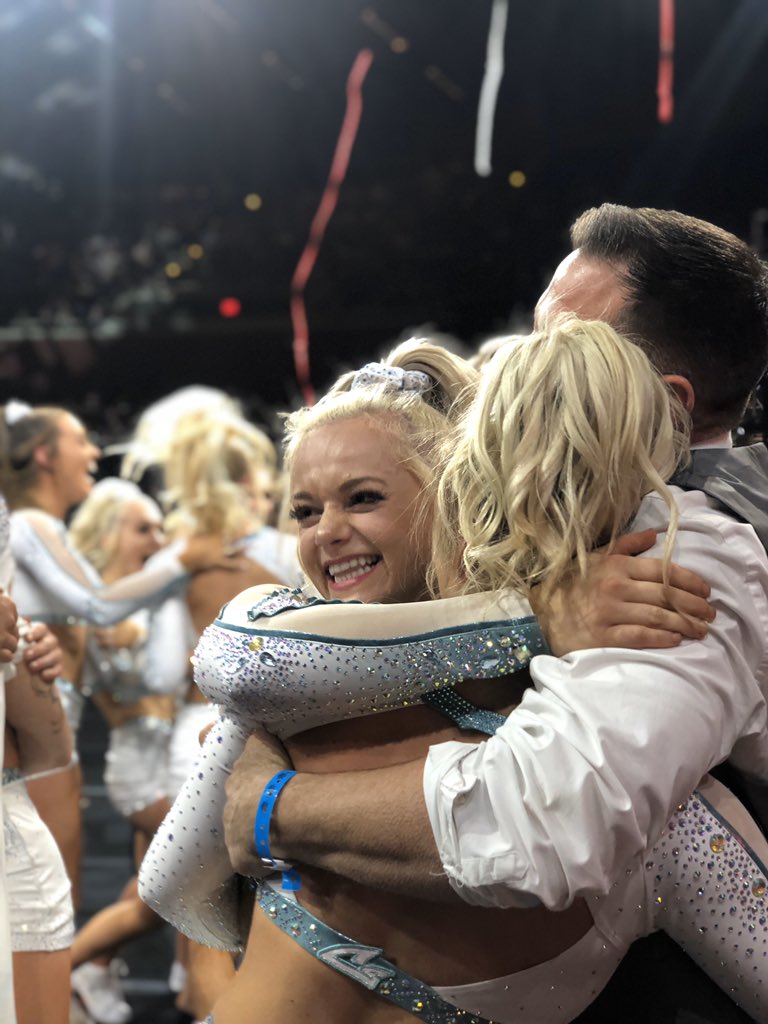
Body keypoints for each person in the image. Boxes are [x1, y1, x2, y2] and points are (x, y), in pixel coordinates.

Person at [221, 206, 768, 1021]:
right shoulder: (575, 544)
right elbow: (236, 663)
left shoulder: (684, 554)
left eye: (561, 347)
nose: (510, 370)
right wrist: (529, 619)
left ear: (668, 405)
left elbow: (539, 833)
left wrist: (269, 809)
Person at [0, 400, 241, 917]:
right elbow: (97, 606)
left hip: (55, 727)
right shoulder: (26, 526)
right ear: (44, 455)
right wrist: (181, 559)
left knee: (59, 894)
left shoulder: (46, 529)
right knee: (45, 901)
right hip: (35, 729)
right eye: (80, 440)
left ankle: (86, 983)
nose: (94, 451)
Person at [140, 406, 295, 1021]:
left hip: (190, 740)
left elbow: (156, 672)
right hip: (261, 744)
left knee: (200, 929)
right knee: (249, 928)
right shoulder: (288, 556)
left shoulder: (184, 558)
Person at [67, 479, 169, 1024]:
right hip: (141, 765)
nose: (157, 538)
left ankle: (92, 967)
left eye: (159, 527)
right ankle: (60, 971)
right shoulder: (96, 606)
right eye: (142, 529)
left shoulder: (147, 593)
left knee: (151, 896)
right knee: (190, 874)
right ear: (110, 533)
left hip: (165, 758)